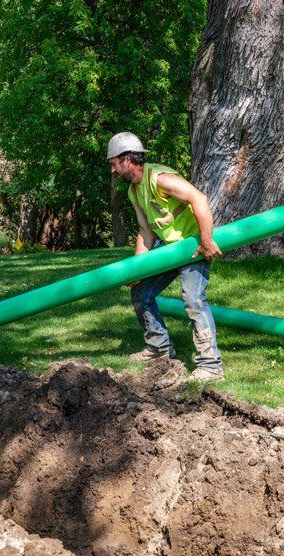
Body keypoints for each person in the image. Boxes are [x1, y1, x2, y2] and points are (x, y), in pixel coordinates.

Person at [107, 131, 225, 385]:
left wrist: (206, 240)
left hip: (192, 246)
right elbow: (146, 232)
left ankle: (210, 365)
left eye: (114, 164)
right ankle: (159, 348)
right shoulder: (134, 191)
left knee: (193, 299)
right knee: (141, 293)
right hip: (168, 249)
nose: (114, 171)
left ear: (126, 159)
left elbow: (198, 198)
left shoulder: (160, 177)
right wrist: (138, 270)